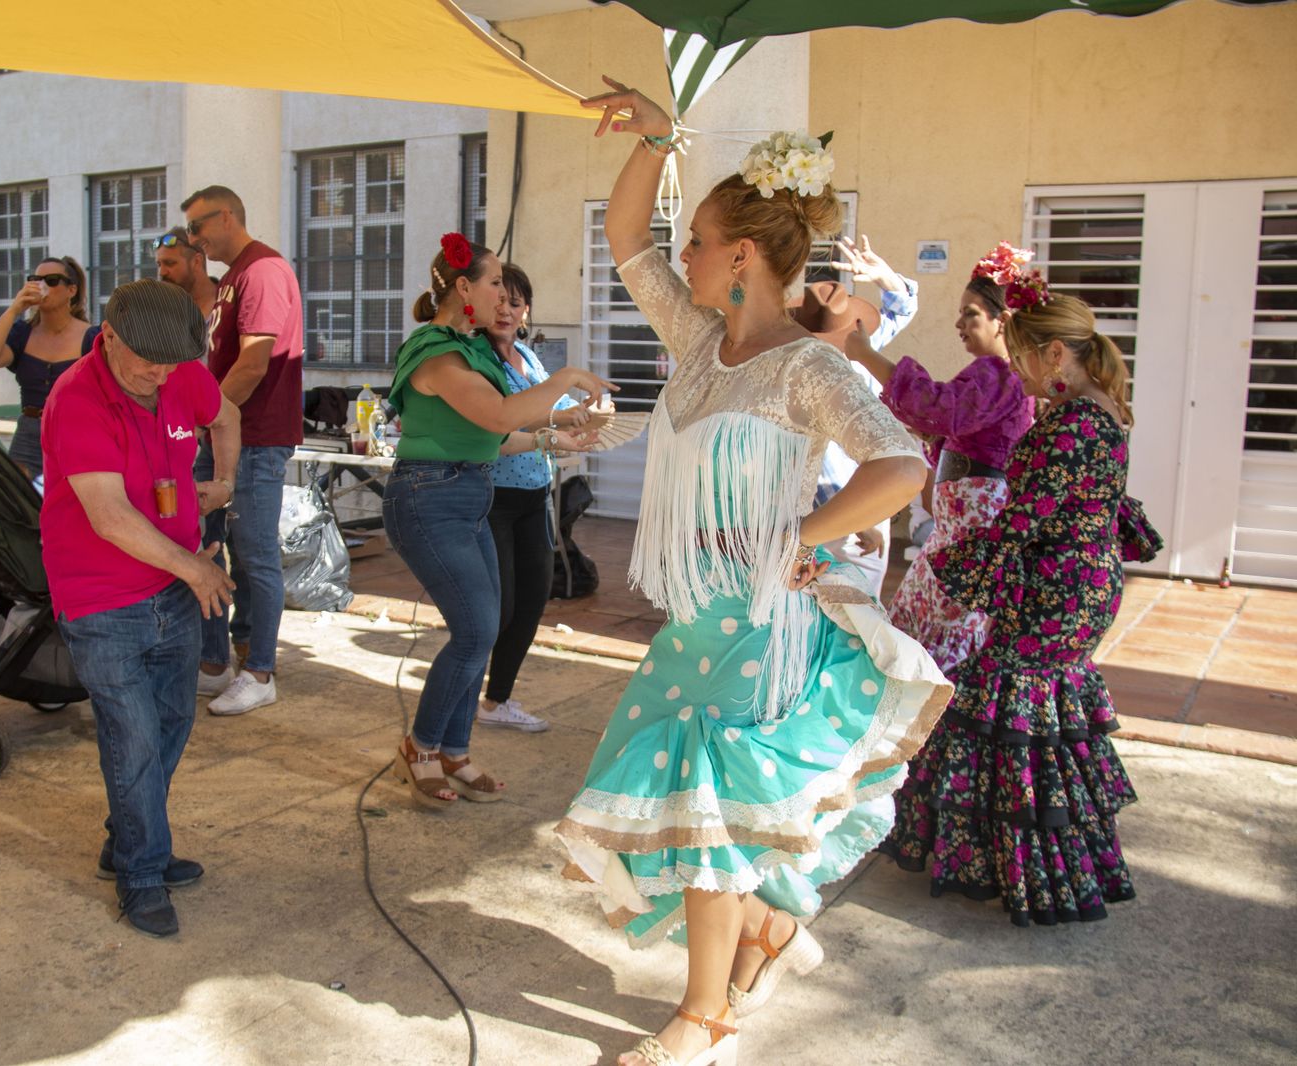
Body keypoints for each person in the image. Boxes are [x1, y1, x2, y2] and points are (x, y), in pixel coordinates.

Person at [555, 80, 951, 1066]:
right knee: (705, 810)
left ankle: (705, 1019)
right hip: (698, 619)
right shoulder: (699, 341)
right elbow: (624, 240)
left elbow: (902, 465)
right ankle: (765, 937)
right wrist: (656, 136)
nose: (678, 256)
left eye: (695, 239)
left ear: (739, 254)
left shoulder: (807, 368)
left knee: (712, 812)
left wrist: (804, 539)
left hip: (762, 624)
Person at [881, 288, 1161, 926]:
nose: (1021, 371)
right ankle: (1050, 863)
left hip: (1053, 590)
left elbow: (1023, 520)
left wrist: (959, 566)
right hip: (1083, 584)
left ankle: (1038, 874)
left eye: (1027, 357)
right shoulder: (1102, 412)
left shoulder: (1070, 423)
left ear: (1056, 353)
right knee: (1044, 719)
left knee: (1010, 715)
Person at [41, 279, 240, 938]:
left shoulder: (178, 374)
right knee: (132, 739)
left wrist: (224, 483)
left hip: (173, 590)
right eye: (145, 359)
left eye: (170, 361)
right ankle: (141, 875)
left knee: (170, 726)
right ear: (109, 334)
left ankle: (124, 843)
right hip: (102, 599)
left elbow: (226, 415)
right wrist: (195, 566)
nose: (157, 373)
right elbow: (109, 515)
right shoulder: (76, 398)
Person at [386, 232, 611, 811]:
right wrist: (565, 381)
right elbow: (498, 411)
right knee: (477, 631)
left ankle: (454, 752)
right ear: (464, 288)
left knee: (483, 628)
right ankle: (422, 746)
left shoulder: (472, 351)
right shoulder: (437, 352)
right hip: (428, 499)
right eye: (493, 283)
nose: (502, 297)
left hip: (467, 494)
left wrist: (556, 434)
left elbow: (496, 434)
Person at [842, 242, 1038, 676]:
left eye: (971, 313)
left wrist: (865, 354)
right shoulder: (997, 377)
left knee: (936, 635)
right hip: (955, 536)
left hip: (967, 540)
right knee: (920, 623)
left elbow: (939, 409)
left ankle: (929, 719)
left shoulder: (999, 374)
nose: (959, 323)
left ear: (1001, 321)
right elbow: (944, 424)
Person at [181, 185, 302, 716]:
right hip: (223, 433)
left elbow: (254, 363)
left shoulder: (263, 271)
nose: (194, 240)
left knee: (255, 556)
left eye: (198, 228)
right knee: (205, 545)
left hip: (252, 437)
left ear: (225, 216)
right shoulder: (232, 277)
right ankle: (215, 664)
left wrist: (210, 415)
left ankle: (260, 671)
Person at [476, 262, 581, 734]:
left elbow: (555, 412)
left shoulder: (528, 357)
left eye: (514, 304)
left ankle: (497, 700)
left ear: (526, 311)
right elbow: (500, 425)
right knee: (498, 605)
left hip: (535, 493)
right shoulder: (476, 359)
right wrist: (554, 429)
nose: (505, 311)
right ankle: (460, 693)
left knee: (533, 599)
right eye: (498, 301)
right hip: (492, 495)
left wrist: (588, 416)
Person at [795, 236, 920, 599]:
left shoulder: (861, 351)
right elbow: (819, 458)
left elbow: (901, 308)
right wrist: (859, 518)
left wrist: (885, 277)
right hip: (836, 511)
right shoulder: (823, 371)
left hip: (855, 504)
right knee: (847, 611)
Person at [0, 256, 101, 481]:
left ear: (71, 290)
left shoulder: (91, 337)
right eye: (35, 279)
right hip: (30, 433)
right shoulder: (23, 333)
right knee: (18, 503)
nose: (42, 286)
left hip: (75, 432)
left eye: (52, 280)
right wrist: (14, 309)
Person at [153, 227, 218, 319]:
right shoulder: (162, 316)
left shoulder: (231, 303)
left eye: (170, 263)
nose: (161, 272)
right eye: (159, 265)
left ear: (196, 262)